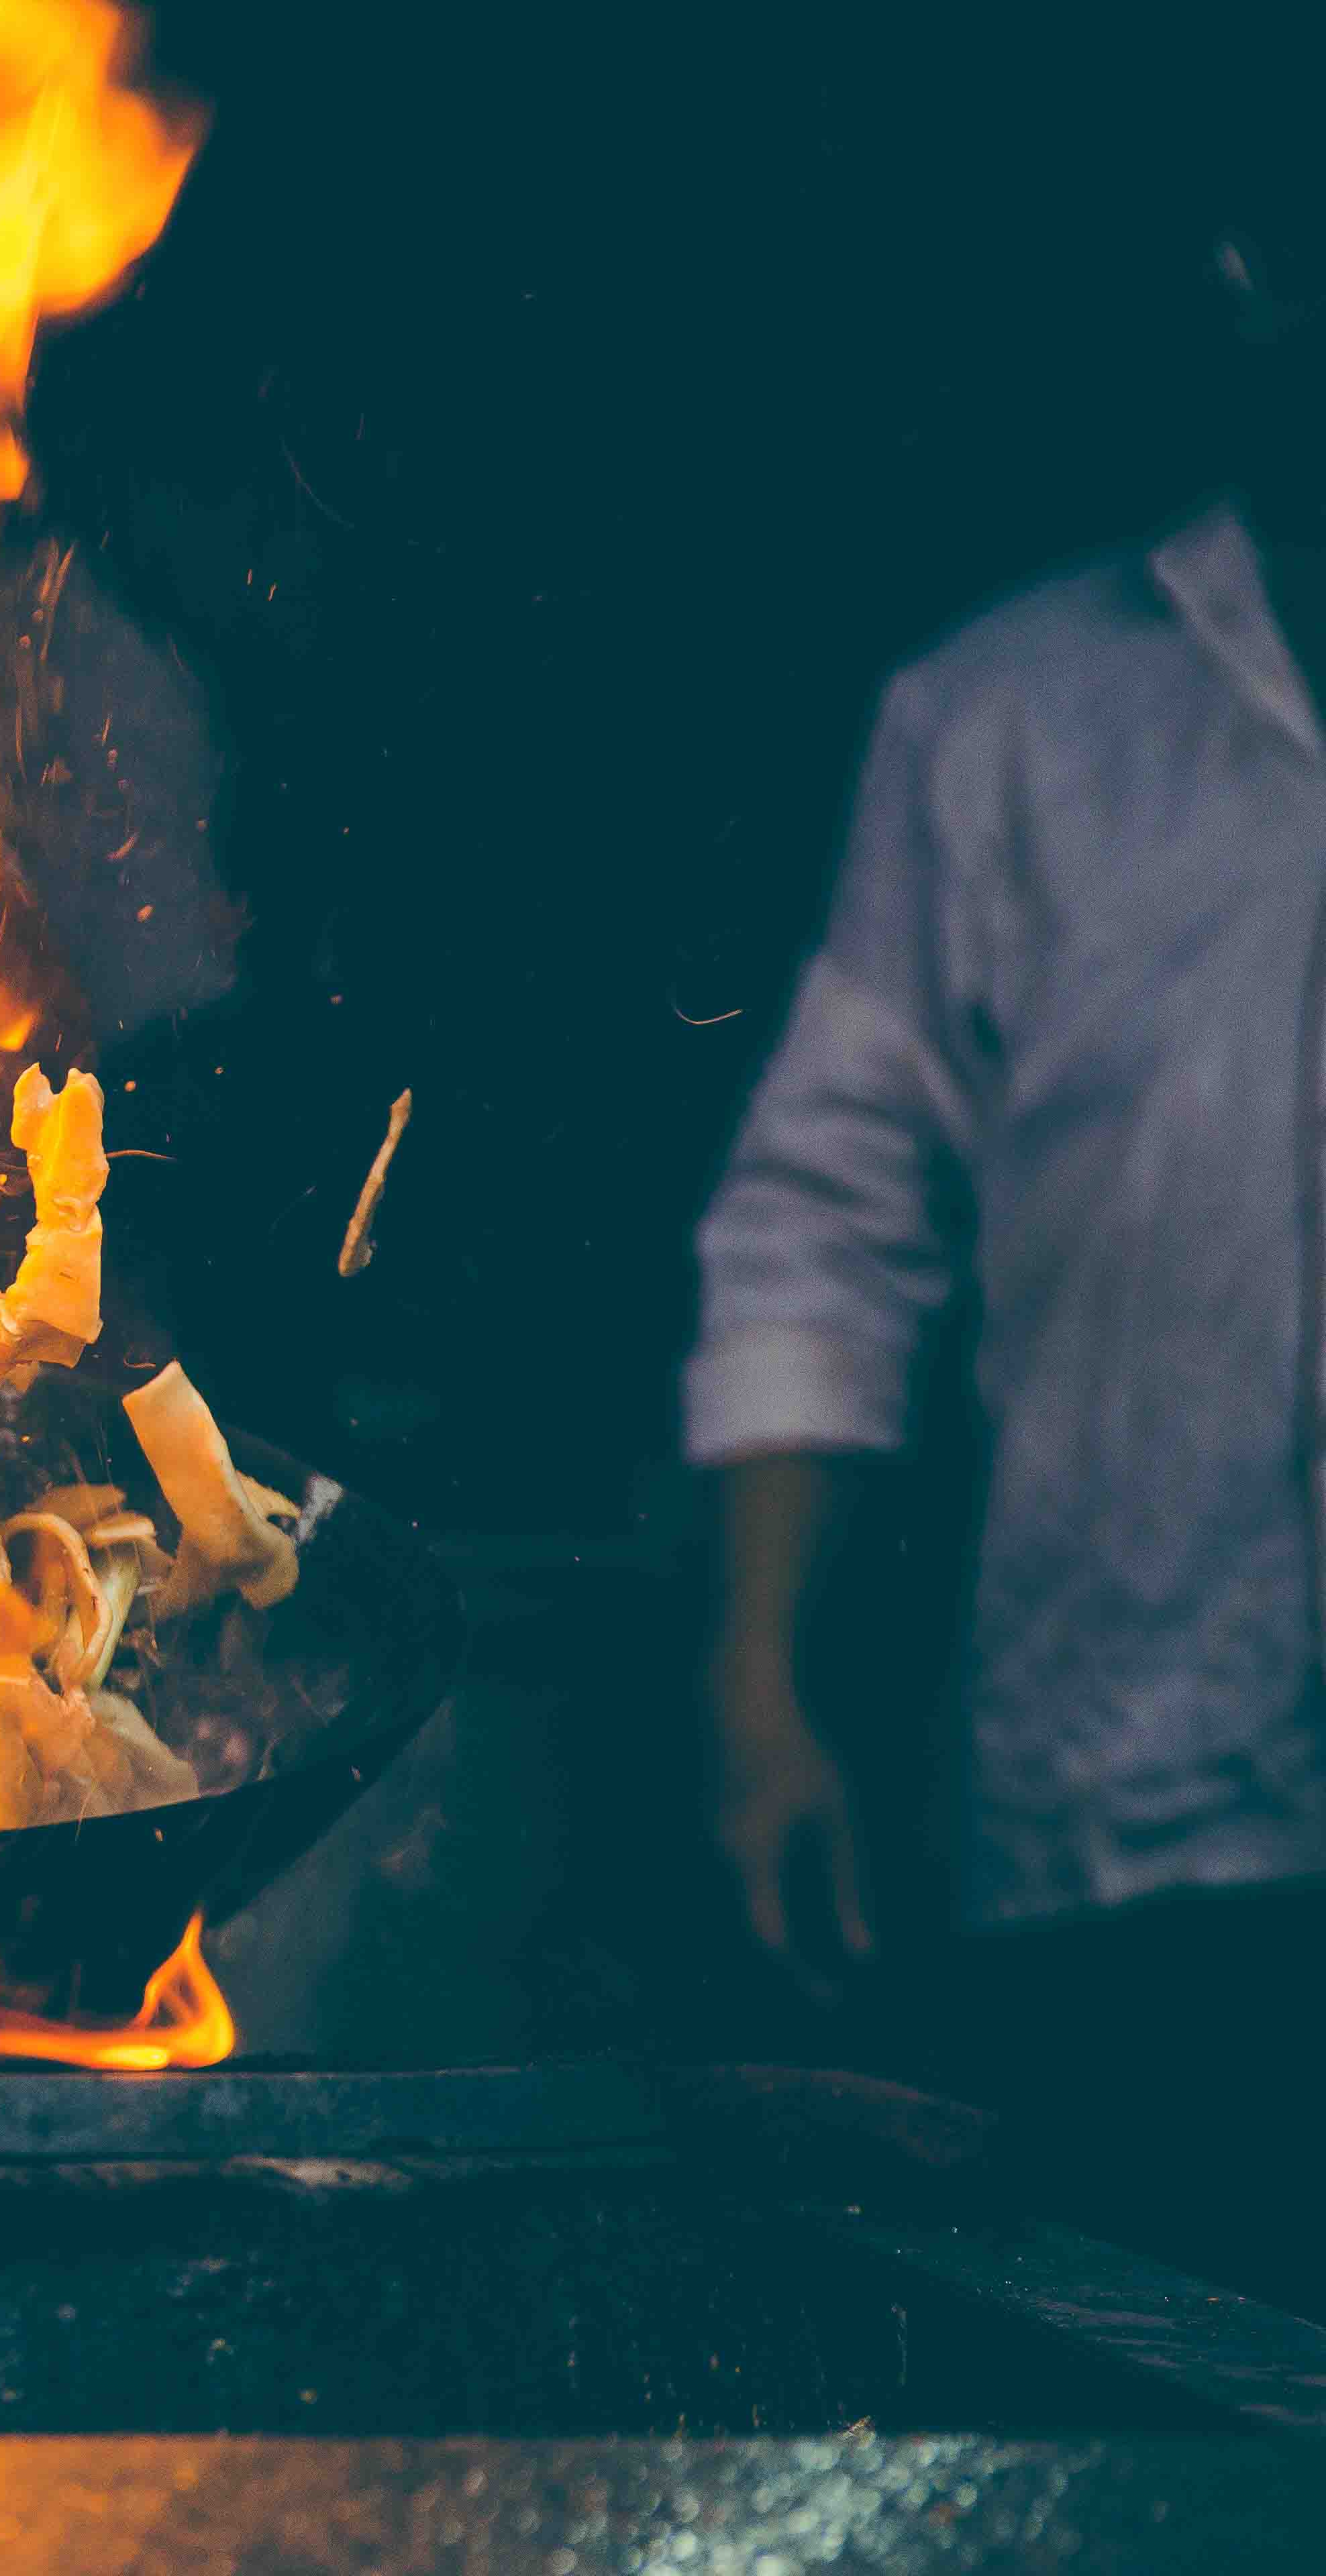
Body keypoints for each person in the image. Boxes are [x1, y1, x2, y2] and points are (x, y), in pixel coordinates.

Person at [687, 142, 1326, 2296]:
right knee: (1174, 2412)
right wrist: (764, 1682)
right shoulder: (1011, 721)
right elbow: (822, 1223)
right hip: (1124, 1815)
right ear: (1260, 282)